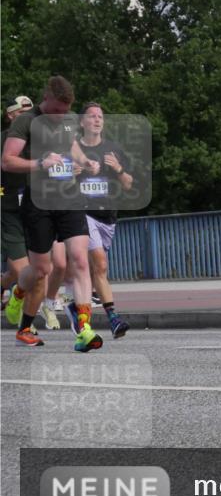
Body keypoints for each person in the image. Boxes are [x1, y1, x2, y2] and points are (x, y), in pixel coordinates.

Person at [0, 76, 102, 351]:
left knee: (79, 260)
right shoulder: (25, 122)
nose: (60, 117)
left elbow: (72, 147)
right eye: (56, 111)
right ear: (46, 99)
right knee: (40, 269)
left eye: (64, 112)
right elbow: (7, 161)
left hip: (68, 198)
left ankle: (83, 329)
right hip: (37, 202)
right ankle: (18, 293)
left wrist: (86, 161)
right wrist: (40, 163)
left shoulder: (67, 120)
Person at [76, 102, 132, 339]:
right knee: (100, 264)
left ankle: (78, 306)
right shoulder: (74, 148)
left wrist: (119, 170)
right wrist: (73, 172)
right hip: (82, 212)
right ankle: (113, 319)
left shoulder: (112, 149)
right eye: (92, 116)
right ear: (82, 122)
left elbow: (128, 184)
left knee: (95, 270)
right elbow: (55, 181)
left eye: (100, 116)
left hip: (107, 216)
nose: (97, 119)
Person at [2, 97, 33, 323]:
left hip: (32, 211)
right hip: (7, 210)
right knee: (24, 269)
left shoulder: (37, 141)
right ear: (10, 116)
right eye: (22, 113)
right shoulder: (3, 141)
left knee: (16, 272)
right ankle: (25, 324)